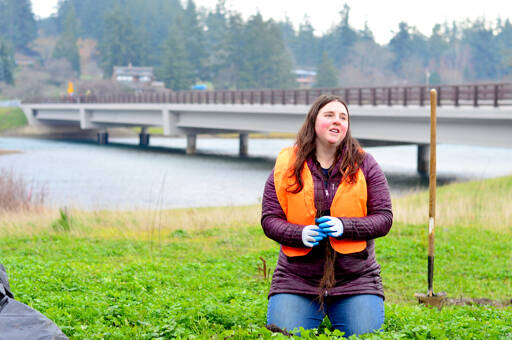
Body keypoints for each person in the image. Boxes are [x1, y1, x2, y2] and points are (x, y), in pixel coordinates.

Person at [261, 94, 393, 337]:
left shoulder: (365, 163)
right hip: (296, 278)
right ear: (313, 121)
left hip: (356, 279)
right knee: (285, 335)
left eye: (343, 117)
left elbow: (384, 218)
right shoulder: (286, 165)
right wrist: (298, 234)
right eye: (329, 115)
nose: (337, 121)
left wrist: (345, 226)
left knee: (364, 336)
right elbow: (269, 219)